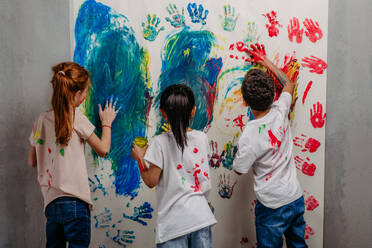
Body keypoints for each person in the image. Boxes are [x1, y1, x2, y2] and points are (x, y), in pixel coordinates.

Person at [27, 61, 119, 248]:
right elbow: (103, 149)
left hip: (51, 205)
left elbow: (31, 161)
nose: (85, 96)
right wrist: (107, 123)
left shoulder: (41, 120)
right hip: (76, 204)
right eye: (85, 92)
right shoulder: (77, 118)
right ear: (77, 95)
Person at [233, 44, 307, 248]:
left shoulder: (249, 134)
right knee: (298, 245)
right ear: (274, 94)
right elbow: (289, 84)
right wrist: (265, 61)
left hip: (272, 206)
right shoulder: (280, 109)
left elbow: (239, 169)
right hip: (295, 197)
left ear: (246, 102)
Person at [130, 84, 216, 248]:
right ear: (193, 111)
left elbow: (150, 181)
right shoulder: (202, 138)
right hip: (201, 218)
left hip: (174, 223)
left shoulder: (160, 142)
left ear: (163, 113)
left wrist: (140, 158)